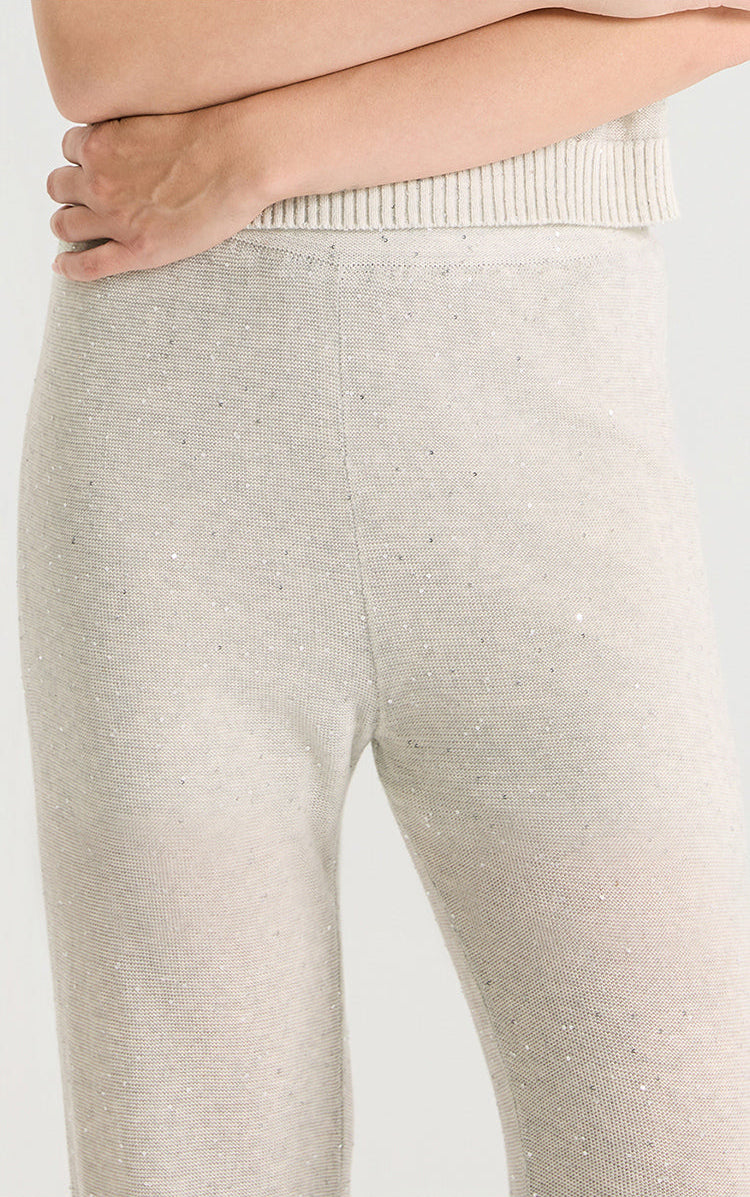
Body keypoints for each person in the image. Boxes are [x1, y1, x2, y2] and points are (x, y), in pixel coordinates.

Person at [17, 3, 750, 1195]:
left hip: (560, 457)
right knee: (190, 1156)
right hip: (181, 454)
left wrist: (256, 150)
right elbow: (107, 48)